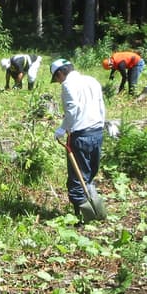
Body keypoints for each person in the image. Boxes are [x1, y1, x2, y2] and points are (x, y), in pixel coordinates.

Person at [51, 59, 106, 222]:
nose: (58, 81)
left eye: (56, 78)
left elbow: (72, 111)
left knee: (76, 179)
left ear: (60, 73)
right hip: (97, 132)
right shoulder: (92, 80)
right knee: (88, 175)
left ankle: (83, 218)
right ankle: (95, 212)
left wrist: (62, 129)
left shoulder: (68, 85)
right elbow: (101, 106)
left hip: (80, 136)